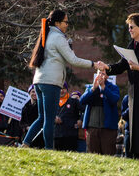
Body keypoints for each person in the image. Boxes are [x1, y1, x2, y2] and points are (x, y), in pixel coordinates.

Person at [23, 9, 97, 149]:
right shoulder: (58, 37)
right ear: (57, 23)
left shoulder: (47, 35)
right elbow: (73, 60)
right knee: (49, 119)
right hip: (50, 83)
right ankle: (49, 149)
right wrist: (93, 64)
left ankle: (25, 144)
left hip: (38, 81)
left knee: (42, 117)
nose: (67, 24)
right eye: (65, 22)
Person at [97, 13, 139, 160]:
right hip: (135, 93)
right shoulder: (131, 45)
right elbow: (121, 66)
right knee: (136, 129)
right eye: (128, 27)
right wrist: (107, 67)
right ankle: (137, 159)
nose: (129, 30)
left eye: (132, 27)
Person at [80, 71, 119, 155]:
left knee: (108, 155)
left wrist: (104, 87)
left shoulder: (113, 88)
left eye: (103, 74)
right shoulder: (91, 87)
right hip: (92, 128)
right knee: (93, 156)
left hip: (108, 129)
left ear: (107, 76)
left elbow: (114, 99)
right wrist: (93, 89)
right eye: (99, 73)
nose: (101, 75)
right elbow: (82, 101)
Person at [54, 82, 83, 151]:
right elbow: (46, 114)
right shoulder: (53, 101)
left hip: (71, 135)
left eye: (64, 88)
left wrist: (81, 120)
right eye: (60, 88)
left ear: (67, 89)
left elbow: (84, 110)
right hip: (56, 135)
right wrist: (53, 118)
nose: (61, 91)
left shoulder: (73, 101)